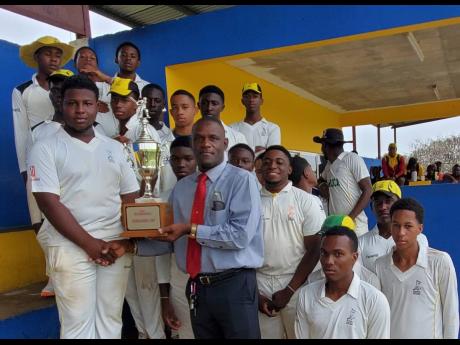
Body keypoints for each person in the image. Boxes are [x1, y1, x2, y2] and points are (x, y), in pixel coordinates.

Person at [108, 117, 264, 339]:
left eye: (213, 138)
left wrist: (190, 229)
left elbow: (239, 236)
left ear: (225, 144)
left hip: (234, 285)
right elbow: (174, 238)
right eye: (199, 138)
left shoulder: (241, 181)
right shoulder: (182, 188)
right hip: (197, 288)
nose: (205, 144)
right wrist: (131, 246)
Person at [27, 75, 139, 339]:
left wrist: (126, 243)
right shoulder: (45, 147)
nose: (80, 110)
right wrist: (89, 243)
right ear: (61, 105)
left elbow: (130, 197)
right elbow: (48, 202)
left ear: (97, 106)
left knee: (111, 320)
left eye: (87, 104)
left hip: (114, 246)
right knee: (77, 325)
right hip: (70, 248)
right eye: (72, 103)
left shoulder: (114, 148)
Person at [109, 77, 165, 339]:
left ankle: (153, 335)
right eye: (114, 99)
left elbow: (150, 179)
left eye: (124, 99)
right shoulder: (113, 132)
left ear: (136, 102)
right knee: (130, 289)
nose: (118, 104)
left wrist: (141, 213)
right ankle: (145, 334)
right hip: (120, 223)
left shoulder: (144, 131)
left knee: (145, 288)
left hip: (141, 220)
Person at [257, 145, 325, 339]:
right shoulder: (250, 201)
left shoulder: (306, 201)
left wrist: (290, 290)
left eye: (280, 162)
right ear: (260, 167)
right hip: (260, 284)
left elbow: (315, 249)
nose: (273, 166)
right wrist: (255, 295)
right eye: (267, 161)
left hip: (296, 284)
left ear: (289, 169)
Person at [13, 36, 74, 233]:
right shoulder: (22, 91)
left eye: (58, 55)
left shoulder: (68, 88)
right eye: (48, 54)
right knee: (43, 221)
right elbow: (21, 133)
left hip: (66, 158)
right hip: (37, 161)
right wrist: (24, 171)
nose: (54, 59)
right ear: (36, 57)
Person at [374, 198, 459, 339]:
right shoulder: (380, 266)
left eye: (408, 226)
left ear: (420, 228)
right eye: (396, 225)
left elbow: (451, 315)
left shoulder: (439, 261)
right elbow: (377, 316)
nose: (401, 232)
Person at [295, 218, 390, 339]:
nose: (329, 261)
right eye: (324, 253)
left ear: (354, 257)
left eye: (338, 254)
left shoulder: (374, 300)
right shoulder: (306, 295)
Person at [155, 136, 197, 339]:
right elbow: (162, 254)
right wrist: (165, 298)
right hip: (179, 277)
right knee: (186, 333)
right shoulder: (162, 199)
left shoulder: (212, 193)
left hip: (212, 277)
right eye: (176, 158)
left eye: (188, 158)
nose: (181, 164)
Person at [358, 180, 428, 272]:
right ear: (371, 206)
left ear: (399, 204)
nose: (383, 207)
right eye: (378, 202)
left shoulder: (419, 239)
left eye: (388, 201)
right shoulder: (361, 243)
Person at [313, 128, 372, 236]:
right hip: (336, 226)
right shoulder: (329, 165)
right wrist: (323, 187)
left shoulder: (352, 159)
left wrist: (349, 219)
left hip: (355, 227)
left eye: (322, 145)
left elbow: (368, 189)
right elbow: (320, 180)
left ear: (326, 146)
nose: (321, 149)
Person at [307, 215, 381, 290]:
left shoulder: (369, 281)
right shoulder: (313, 279)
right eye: (325, 235)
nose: (329, 261)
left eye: (338, 254)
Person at [97, 41, 150, 138]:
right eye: (124, 55)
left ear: (138, 62)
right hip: (106, 139)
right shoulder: (101, 86)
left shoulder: (147, 87)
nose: (128, 59)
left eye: (133, 56)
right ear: (116, 59)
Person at [142, 83, 176, 194]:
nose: (152, 104)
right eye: (148, 100)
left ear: (163, 104)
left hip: (167, 200)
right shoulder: (130, 135)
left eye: (157, 101)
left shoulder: (171, 138)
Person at [230, 82, 281, 153]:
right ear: (242, 101)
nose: (251, 100)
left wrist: (243, 150)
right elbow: (230, 152)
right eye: (247, 96)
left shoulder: (273, 128)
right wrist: (253, 149)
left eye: (255, 96)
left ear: (261, 101)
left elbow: (272, 154)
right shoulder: (232, 128)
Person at [198, 85, 248, 151]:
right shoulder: (190, 135)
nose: (209, 108)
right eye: (204, 103)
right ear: (199, 105)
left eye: (214, 103)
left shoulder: (238, 138)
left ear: (222, 107)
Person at [73, 46, 112, 114]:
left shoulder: (109, 86)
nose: (88, 59)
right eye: (82, 57)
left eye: (92, 58)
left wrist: (104, 77)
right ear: (75, 64)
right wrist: (92, 104)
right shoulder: (70, 86)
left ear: (97, 65)